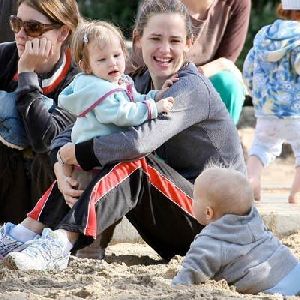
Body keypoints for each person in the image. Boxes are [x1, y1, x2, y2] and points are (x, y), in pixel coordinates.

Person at [0, 0, 246, 271]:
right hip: (176, 226)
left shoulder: (190, 87)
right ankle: (27, 233)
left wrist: (79, 153)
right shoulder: (132, 84)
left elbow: (139, 142)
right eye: (155, 38)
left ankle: (60, 241)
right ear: (138, 40)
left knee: (131, 159)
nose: (165, 49)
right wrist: (61, 161)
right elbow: (77, 127)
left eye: (175, 40)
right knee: (104, 147)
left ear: (189, 43)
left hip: (218, 227)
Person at [0, 0, 80, 224]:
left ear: (63, 32)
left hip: (49, 206)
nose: (21, 34)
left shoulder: (80, 80)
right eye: (16, 24)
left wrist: (26, 73)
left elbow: (45, 141)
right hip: (10, 190)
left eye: (33, 28)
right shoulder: (5, 57)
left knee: (53, 141)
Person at [172, 166, 300, 296]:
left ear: (208, 212)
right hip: (295, 270)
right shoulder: (255, 220)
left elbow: (190, 275)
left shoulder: (209, 242)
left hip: (276, 289)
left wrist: (176, 285)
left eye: (195, 197)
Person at [130, 0, 251, 125]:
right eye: (156, 38)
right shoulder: (159, 5)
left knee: (229, 84)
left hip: (199, 85)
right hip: (152, 84)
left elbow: (226, 61)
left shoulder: (237, 3)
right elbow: (142, 63)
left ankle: (221, 141)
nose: (165, 48)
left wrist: (206, 70)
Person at [244, 1, 300, 204]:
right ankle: (296, 193)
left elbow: (249, 68)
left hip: (267, 111)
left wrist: (257, 96)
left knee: (261, 148)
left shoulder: (264, 35)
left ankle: (252, 183)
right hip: (296, 111)